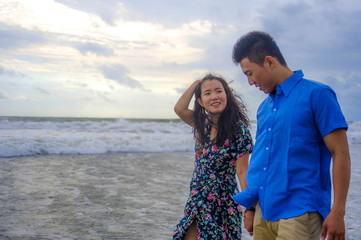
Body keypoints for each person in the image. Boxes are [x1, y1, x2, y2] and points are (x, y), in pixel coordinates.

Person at [232, 31, 351, 240]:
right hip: (264, 211)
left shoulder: (318, 94)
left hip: (300, 212)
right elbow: (262, 162)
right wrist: (250, 209)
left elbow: (340, 152)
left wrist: (338, 212)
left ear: (269, 62)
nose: (250, 82)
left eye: (250, 73)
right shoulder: (263, 108)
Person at [173, 73, 253, 239]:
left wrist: (250, 208)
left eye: (218, 91)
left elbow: (242, 172)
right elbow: (179, 109)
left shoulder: (239, 130)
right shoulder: (203, 124)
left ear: (227, 95)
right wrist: (197, 83)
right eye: (207, 93)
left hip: (222, 202)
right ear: (201, 102)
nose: (214, 97)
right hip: (197, 198)